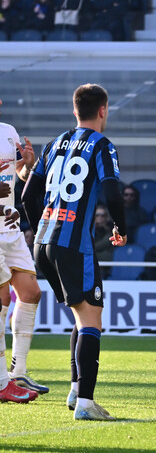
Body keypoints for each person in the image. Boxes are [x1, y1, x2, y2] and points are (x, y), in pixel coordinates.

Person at [22, 83, 128, 419]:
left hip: (44, 243)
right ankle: (85, 402)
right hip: (73, 245)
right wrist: (121, 228)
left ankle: (74, 390)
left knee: (81, 315)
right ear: (102, 111)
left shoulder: (54, 144)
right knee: (92, 318)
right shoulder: (102, 146)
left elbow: (27, 197)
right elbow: (112, 193)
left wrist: (45, 226)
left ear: (74, 110)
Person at [0, 103, 46, 403]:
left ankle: (18, 372)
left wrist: (27, 165)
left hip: (11, 227)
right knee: (2, 299)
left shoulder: (8, 131)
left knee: (30, 293)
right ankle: (3, 382)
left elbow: (18, 172)